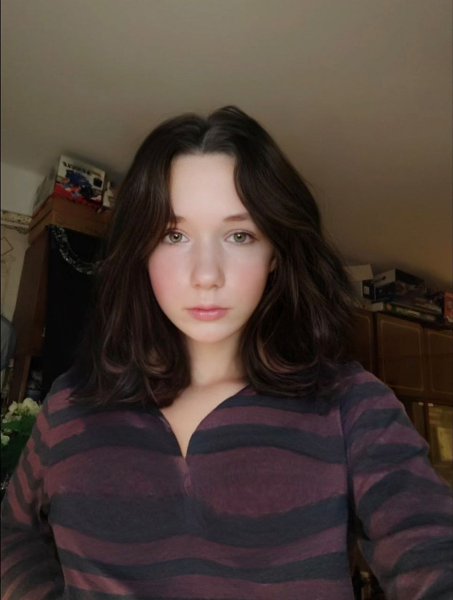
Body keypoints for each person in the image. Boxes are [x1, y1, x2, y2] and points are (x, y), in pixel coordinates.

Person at [1, 106, 452, 600]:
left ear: (275, 252)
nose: (206, 275)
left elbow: (430, 548)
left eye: (240, 235)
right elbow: (12, 533)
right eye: (174, 235)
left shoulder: (351, 404)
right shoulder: (71, 405)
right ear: (141, 250)